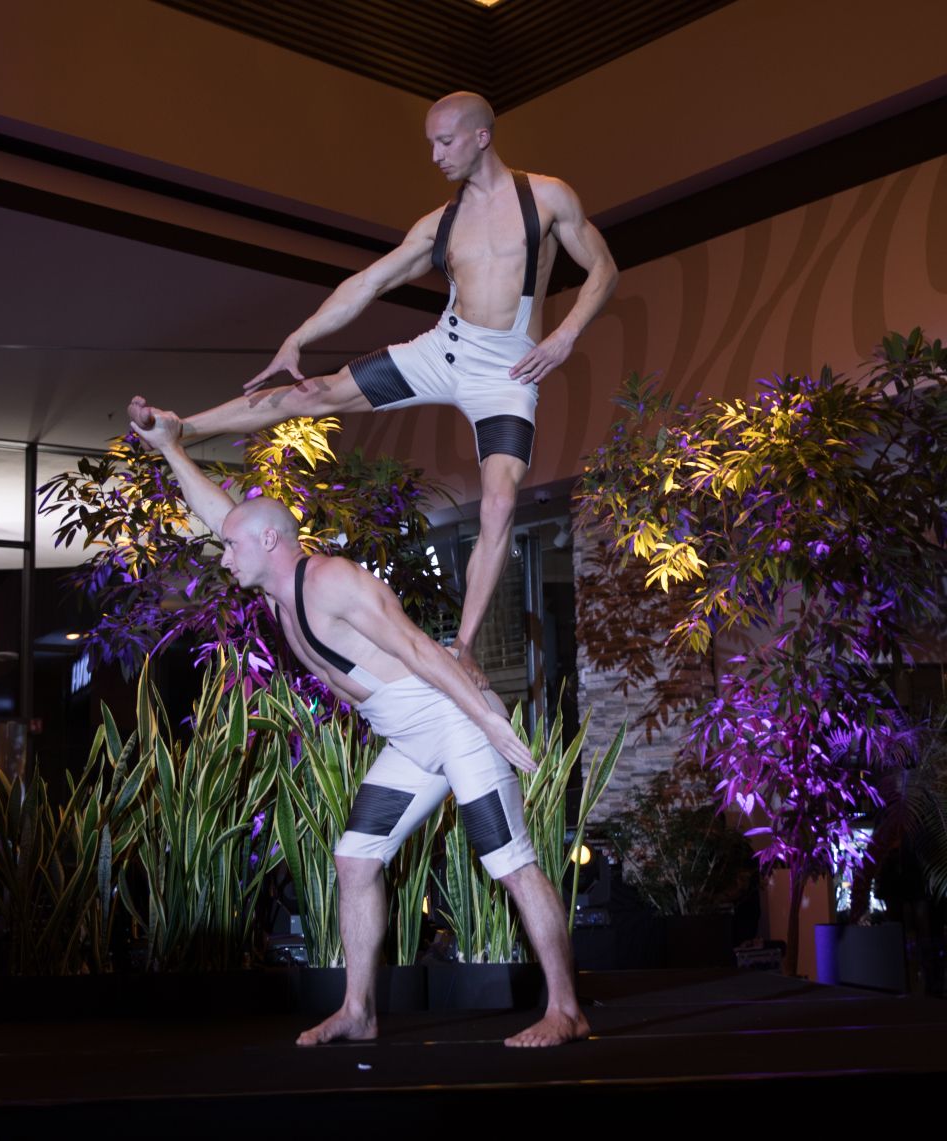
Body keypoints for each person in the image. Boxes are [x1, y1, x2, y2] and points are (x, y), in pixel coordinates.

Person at [127, 401, 591, 1049]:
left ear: (269, 542)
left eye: (232, 545)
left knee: (509, 862)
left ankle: (565, 1009)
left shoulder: (332, 582)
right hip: (409, 739)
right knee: (355, 859)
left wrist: (487, 720)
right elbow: (223, 515)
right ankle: (359, 1011)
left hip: (452, 721)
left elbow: (420, 649)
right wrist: (171, 448)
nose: (223, 554)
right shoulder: (278, 589)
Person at [131, 91, 617, 686]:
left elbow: (603, 268)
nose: (435, 156)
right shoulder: (440, 224)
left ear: (482, 137)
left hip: (507, 374)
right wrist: (299, 337)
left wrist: (565, 337)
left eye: (446, 142)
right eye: (430, 144)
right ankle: (183, 426)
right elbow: (367, 284)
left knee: (498, 502)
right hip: (445, 349)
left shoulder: (546, 198)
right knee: (316, 393)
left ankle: (464, 648)